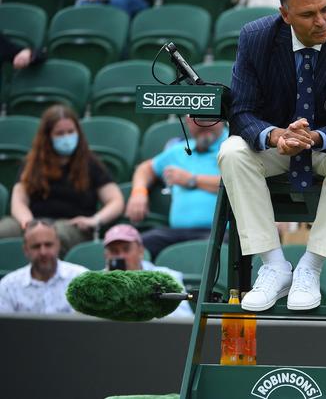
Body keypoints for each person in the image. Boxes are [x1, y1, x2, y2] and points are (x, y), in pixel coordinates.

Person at [219, 0, 326, 312]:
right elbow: (241, 112)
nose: (322, 21)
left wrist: (316, 137)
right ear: (285, 15)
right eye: (308, 14)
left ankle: (311, 266)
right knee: (231, 151)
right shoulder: (255, 37)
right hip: (278, 146)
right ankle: (274, 266)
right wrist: (276, 136)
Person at [0, 105, 124, 252]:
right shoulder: (32, 163)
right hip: (34, 221)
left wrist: (94, 220)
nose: (66, 137)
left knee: (54, 236)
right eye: (60, 133)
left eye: (71, 132)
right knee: (5, 230)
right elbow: (19, 201)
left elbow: (116, 200)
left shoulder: (91, 163)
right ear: (47, 137)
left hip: (71, 227)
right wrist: (28, 222)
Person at [125, 117, 228, 258]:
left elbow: (240, 183)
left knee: (206, 251)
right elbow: (145, 168)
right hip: (177, 232)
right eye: (198, 121)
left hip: (219, 232)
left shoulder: (232, 147)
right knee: (134, 247)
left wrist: (192, 180)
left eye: (210, 120)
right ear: (188, 122)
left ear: (222, 119)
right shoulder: (180, 150)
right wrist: (139, 192)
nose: (204, 125)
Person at [102, 224, 192, 318]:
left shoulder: (167, 277)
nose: (121, 256)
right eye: (114, 251)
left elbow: (183, 318)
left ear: (141, 251)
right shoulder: (98, 283)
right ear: (106, 256)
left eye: (126, 249)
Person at [0, 219, 88, 313]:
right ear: (26, 250)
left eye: (48, 245)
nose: (43, 252)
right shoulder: (9, 286)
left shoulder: (81, 279)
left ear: (58, 245)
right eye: (36, 246)